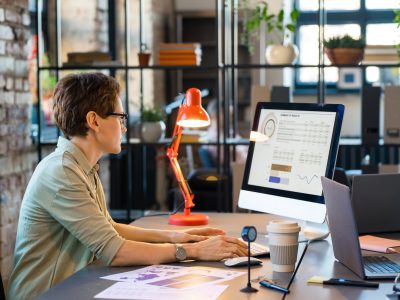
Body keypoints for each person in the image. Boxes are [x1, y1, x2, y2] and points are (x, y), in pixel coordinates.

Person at [7, 73, 247, 300]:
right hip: (46, 294)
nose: (124, 127)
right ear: (94, 121)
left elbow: (108, 228)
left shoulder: (80, 166)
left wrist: (179, 237)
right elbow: (114, 250)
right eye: (120, 118)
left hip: (71, 287)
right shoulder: (61, 172)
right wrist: (192, 251)